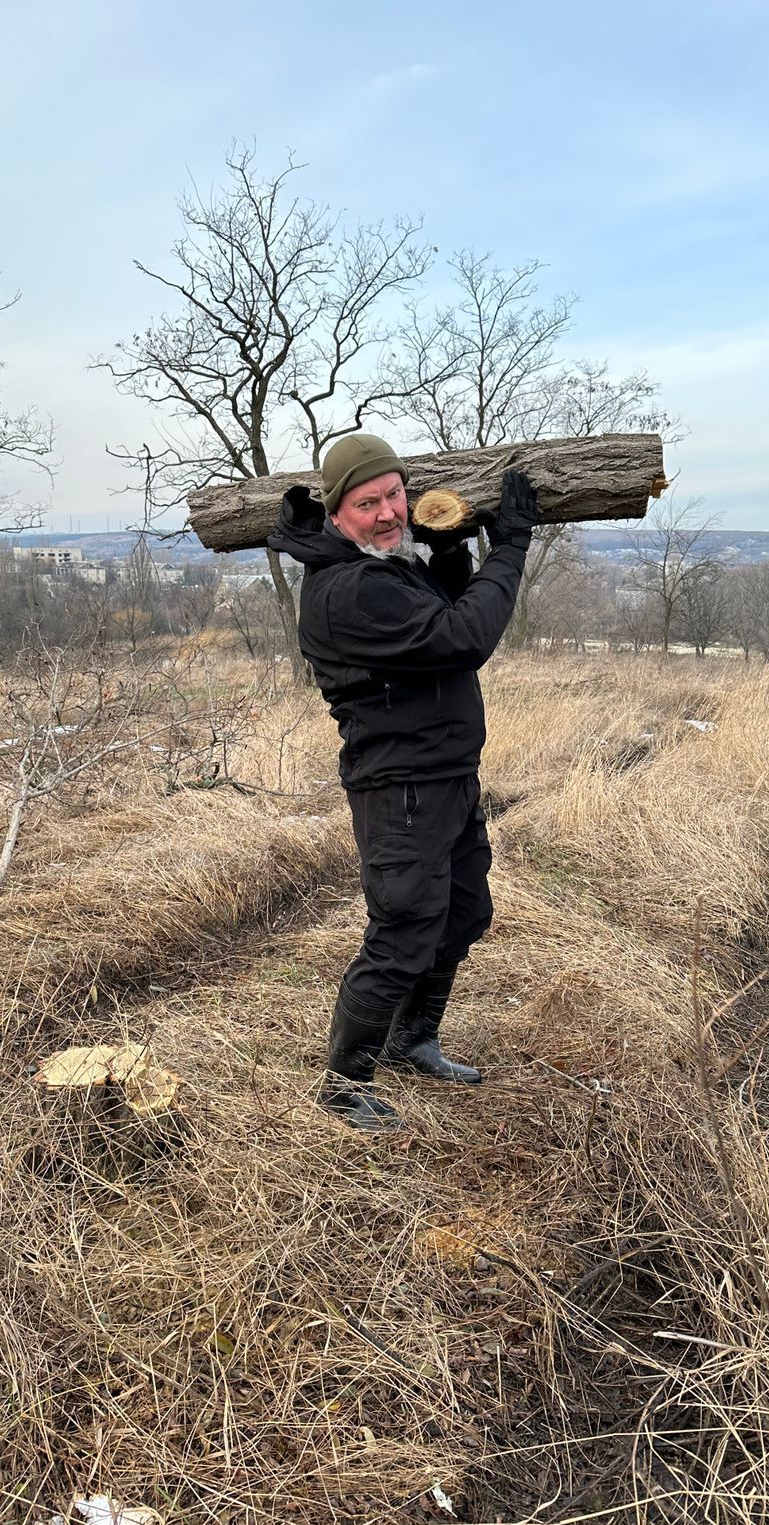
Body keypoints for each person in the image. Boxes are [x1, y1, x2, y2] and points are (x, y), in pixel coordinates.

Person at [268, 433, 538, 1132]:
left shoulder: (380, 562)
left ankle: (411, 1037)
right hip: (402, 787)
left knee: (462, 914)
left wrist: (450, 547)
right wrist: (508, 547)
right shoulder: (348, 588)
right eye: (368, 503)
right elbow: (462, 638)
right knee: (402, 933)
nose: (389, 512)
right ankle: (344, 1082)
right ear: (336, 512)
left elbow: (436, 606)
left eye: (395, 494)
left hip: (447, 774)